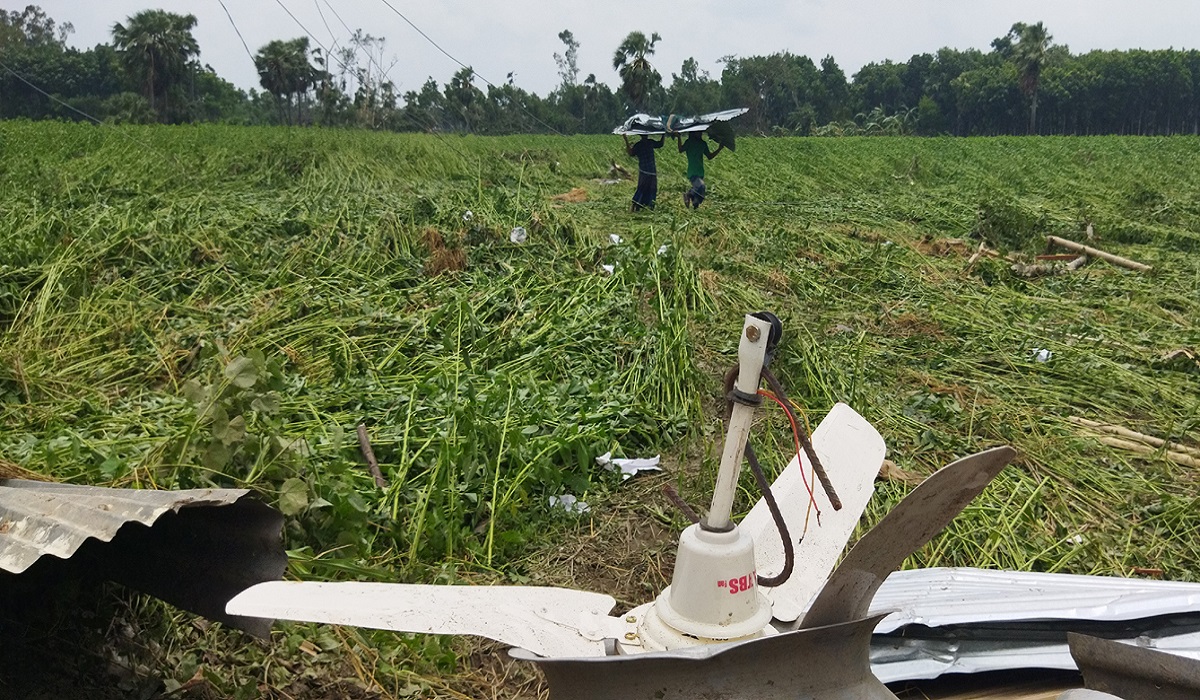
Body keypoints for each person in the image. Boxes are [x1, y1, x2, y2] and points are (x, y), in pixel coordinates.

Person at [676, 131, 724, 209]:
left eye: (700, 132)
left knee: (700, 195)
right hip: (692, 171)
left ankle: (695, 209)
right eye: (698, 132)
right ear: (693, 133)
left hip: (700, 172)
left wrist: (719, 149)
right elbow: (681, 149)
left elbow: (709, 156)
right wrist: (679, 137)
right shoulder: (689, 142)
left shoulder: (702, 144)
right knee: (701, 186)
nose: (700, 133)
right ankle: (688, 194)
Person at [623, 133, 664, 211]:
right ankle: (641, 205)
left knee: (645, 188)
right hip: (647, 171)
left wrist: (626, 140)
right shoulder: (646, 143)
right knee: (646, 188)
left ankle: (644, 205)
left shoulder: (642, 144)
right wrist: (663, 135)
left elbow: (631, 153)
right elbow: (660, 144)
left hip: (647, 171)